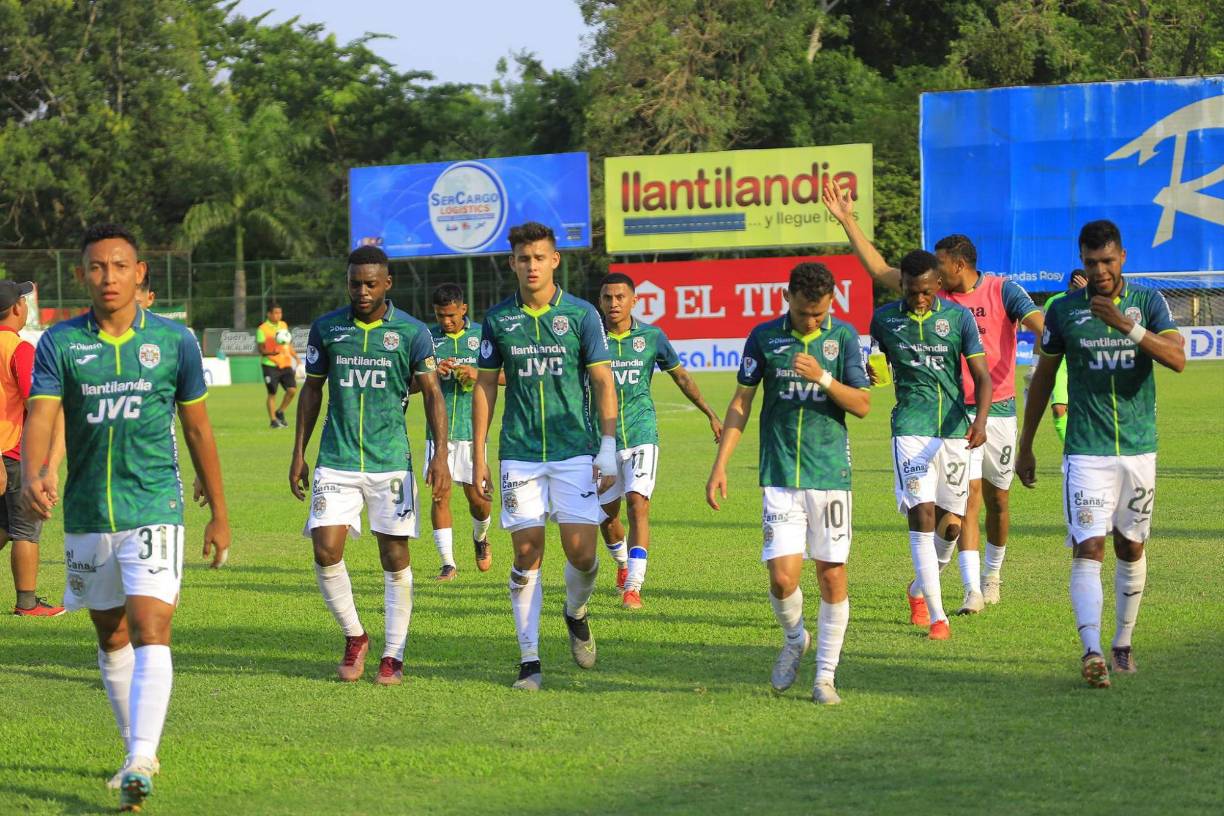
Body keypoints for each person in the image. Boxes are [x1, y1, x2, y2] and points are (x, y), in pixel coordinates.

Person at [22, 224, 230, 811]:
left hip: (156, 504)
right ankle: (132, 749)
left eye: (119, 266)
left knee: (150, 626)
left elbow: (197, 429)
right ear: (82, 274)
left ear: (141, 274)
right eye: (96, 267)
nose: (107, 277)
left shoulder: (174, 342)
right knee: (110, 633)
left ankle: (142, 758)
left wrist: (219, 511)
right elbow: (41, 416)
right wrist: (34, 473)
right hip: (89, 511)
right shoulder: (60, 344)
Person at [824, 182, 1042, 609]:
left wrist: (1053, 351)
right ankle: (971, 590)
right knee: (967, 500)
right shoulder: (928, 295)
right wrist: (847, 220)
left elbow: (1040, 324)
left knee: (998, 497)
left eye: (941, 268)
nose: (933, 279)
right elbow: (881, 269)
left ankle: (989, 574)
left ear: (958, 265)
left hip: (997, 407)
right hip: (949, 414)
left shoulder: (1003, 290)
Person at [1017, 220, 1184, 689]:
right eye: (1091, 263)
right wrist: (1027, 443)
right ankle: (1091, 650)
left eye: (1107, 261)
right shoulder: (1063, 310)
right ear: (1082, 262)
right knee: (1088, 547)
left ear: (1123, 257)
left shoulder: (1147, 303)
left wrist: (1125, 325)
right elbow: (1044, 379)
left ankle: (1123, 643)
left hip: (1138, 448)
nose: (1100, 271)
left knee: (1130, 545)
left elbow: (1176, 358)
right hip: (1085, 451)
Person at [706, 262, 870, 704]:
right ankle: (796, 638)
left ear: (831, 301)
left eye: (818, 313)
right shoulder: (764, 338)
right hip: (779, 473)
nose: (812, 321)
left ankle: (825, 677)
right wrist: (721, 463)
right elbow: (742, 402)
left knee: (832, 573)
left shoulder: (844, 338)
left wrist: (823, 377)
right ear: (786, 298)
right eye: (803, 313)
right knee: (782, 579)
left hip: (830, 473)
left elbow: (862, 405)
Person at [290, 246, 451, 686]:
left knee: (394, 556)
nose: (361, 291)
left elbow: (433, 394)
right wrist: (298, 452)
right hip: (336, 459)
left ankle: (393, 654)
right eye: (354, 283)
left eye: (370, 283)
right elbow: (311, 392)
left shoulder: (414, 333)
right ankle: (355, 635)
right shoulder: (327, 329)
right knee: (325, 549)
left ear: (387, 284)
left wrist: (440, 455)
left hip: (389, 462)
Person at [472, 221, 619, 691]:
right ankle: (529, 660)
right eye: (522, 258)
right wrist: (478, 453)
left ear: (555, 260)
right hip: (519, 455)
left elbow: (602, 381)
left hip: (575, 451)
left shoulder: (580, 316)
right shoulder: (498, 320)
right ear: (511, 263)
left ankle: (575, 612)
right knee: (527, 552)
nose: (531, 265)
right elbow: (484, 388)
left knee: (583, 556)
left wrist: (609, 447)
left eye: (539, 257)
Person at [869, 250, 991, 639]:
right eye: (911, 290)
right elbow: (875, 363)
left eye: (925, 291)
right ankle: (939, 617)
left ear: (938, 284)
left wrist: (982, 422)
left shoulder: (958, 319)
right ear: (901, 284)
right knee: (921, 514)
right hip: (910, 427)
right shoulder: (884, 319)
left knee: (952, 526)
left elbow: (982, 377)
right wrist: (874, 375)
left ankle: (918, 589)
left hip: (955, 429)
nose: (918, 298)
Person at [596, 272, 722, 608]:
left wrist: (710, 413)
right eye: (607, 298)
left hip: (641, 434)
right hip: (602, 440)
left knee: (639, 505)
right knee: (607, 517)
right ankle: (623, 564)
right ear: (600, 301)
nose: (614, 304)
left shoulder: (651, 336)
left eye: (620, 297)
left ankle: (633, 587)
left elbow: (681, 376)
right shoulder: (590, 338)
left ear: (634, 300)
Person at [0, 280, 66, 616]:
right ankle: (27, 602)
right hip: (14, 452)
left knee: (2, 526)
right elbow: (37, 403)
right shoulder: (19, 349)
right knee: (26, 529)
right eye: (24, 301)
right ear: (16, 308)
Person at [423, 283, 496, 581]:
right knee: (440, 496)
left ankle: (480, 538)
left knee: (478, 499)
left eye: (452, 315)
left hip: (472, 431)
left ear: (463, 309)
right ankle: (448, 564)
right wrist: (432, 372)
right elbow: (410, 383)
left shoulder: (482, 337)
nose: (446, 321)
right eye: (441, 316)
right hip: (436, 434)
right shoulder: (427, 339)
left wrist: (476, 373)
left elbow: (507, 376)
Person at [1045, 269, 1088, 442]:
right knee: (1059, 409)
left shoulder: (1097, 300)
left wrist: (1088, 294)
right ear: (1069, 284)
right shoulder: (1054, 302)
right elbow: (1043, 332)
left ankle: (1086, 450)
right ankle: (1069, 451)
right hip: (1060, 360)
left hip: (1086, 360)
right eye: (1075, 286)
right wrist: (1035, 362)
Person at [257, 303, 298, 429]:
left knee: (292, 390)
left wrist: (296, 358)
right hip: (270, 365)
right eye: (275, 313)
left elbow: (288, 344)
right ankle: (273, 421)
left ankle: (280, 411)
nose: (278, 315)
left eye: (280, 313)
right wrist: (271, 353)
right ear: (269, 314)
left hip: (285, 364)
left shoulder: (283, 325)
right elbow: (261, 350)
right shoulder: (262, 329)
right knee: (272, 393)